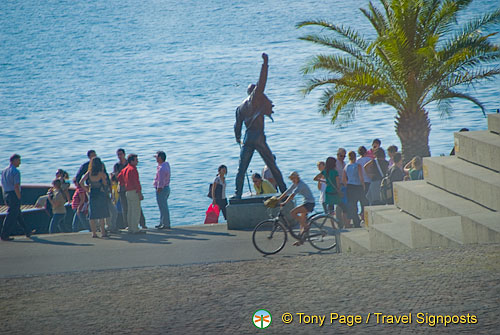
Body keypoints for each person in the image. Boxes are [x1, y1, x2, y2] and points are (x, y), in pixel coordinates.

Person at [233, 53, 287, 198]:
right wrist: (265, 63)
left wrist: (238, 138)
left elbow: (237, 126)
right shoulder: (255, 98)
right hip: (258, 138)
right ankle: (285, 191)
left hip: (247, 138)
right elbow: (262, 80)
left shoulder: (239, 107)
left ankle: (237, 194)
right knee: (273, 167)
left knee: (241, 169)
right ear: (254, 92)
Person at [277, 171, 315, 245]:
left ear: (297, 177)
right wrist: (278, 199)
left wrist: (285, 202)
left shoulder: (300, 185)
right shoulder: (295, 184)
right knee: (302, 222)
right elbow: (288, 191)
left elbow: (292, 195)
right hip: (306, 202)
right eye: (291, 179)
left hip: (309, 203)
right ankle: (301, 241)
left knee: (293, 213)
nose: (293, 180)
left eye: (294, 178)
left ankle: (306, 226)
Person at [113, 148, 146, 229]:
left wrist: (124, 182)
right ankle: (129, 225)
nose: (120, 156)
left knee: (134, 208)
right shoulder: (120, 166)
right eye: (118, 155)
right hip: (125, 189)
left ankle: (141, 224)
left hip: (127, 189)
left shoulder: (126, 166)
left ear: (124, 154)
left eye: (121, 154)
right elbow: (135, 181)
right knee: (128, 208)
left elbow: (119, 177)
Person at [1, 154, 31, 241]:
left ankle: (27, 231)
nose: (20, 163)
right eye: (18, 161)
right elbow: (16, 186)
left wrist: (5, 197)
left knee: (18, 214)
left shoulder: (4, 171)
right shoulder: (15, 172)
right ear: (13, 161)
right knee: (11, 216)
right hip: (13, 194)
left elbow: (3, 185)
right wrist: (19, 197)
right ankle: (4, 234)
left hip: (6, 193)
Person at [80, 157, 110, 238]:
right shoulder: (101, 173)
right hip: (100, 193)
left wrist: (87, 190)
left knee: (92, 214)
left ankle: (94, 233)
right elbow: (104, 183)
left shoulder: (89, 173)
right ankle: (103, 232)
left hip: (92, 193)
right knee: (101, 214)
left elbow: (81, 182)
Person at [343, 151, 365, 228]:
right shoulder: (357, 166)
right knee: (362, 202)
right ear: (355, 157)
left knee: (353, 205)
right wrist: (363, 185)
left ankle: (356, 222)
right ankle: (361, 219)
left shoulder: (346, 166)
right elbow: (361, 177)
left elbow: (344, 179)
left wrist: (347, 186)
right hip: (357, 186)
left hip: (350, 187)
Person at [154, 151, 172, 229]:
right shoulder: (166, 165)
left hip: (162, 189)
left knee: (163, 207)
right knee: (163, 207)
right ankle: (162, 222)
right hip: (166, 188)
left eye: (157, 157)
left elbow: (161, 181)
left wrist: (159, 189)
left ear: (160, 158)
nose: (156, 159)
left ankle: (166, 224)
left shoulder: (161, 169)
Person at [356, 146, 371, 219]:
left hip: (360, 182)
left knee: (362, 199)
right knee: (368, 199)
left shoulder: (357, 161)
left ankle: (362, 214)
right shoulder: (369, 159)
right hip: (368, 180)